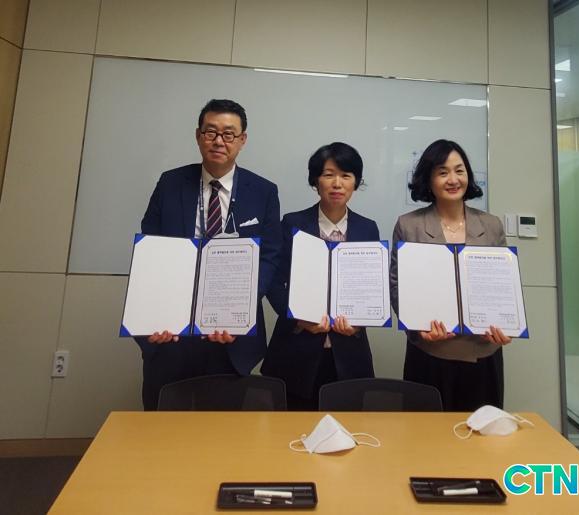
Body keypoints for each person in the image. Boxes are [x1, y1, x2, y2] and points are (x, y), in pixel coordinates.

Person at [136, 99, 282, 410]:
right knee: (163, 427)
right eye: (210, 132)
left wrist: (238, 309)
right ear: (198, 135)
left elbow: (269, 257)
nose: (218, 141)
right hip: (172, 334)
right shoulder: (170, 183)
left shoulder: (264, 191)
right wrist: (154, 315)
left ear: (242, 140)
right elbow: (151, 250)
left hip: (231, 339)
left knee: (222, 429)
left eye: (229, 134)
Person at [390, 139, 511, 412]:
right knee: (425, 433)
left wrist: (506, 324)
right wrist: (417, 329)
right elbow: (397, 286)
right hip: (430, 352)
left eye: (460, 170)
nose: (453, 179)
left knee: (481, 431)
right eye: (443, 172)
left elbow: (503, 287)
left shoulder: (491, 225)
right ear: (428, 179)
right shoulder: (409, 225)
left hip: (483, 352)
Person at [262, 142, 379, 410]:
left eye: (346, 175)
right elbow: (274, 281)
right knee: (291, 428)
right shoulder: (293, 223)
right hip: (296, 350)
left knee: (347, 426)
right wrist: (297, 317)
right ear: (316, 180)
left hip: (349, 353)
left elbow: (372, 286)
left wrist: (360, 322)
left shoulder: (367, 228)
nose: (337, 183)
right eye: (328, 175)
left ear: (356, 182)